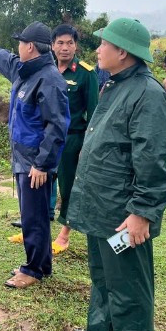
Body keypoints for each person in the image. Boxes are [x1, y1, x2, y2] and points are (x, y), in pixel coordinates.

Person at [66, 18, 166, 331]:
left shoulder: (147, 94)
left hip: (123, 216)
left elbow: (156, 160)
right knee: (103, 275)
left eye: (103, 44)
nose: (97, 50)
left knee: (128, 283)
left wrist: (142, 212)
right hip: (101, 209)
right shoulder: (114, 86)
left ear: (122, 52)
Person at [0, 21, 70, 289]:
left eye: (20, 43)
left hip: (35, 163)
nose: (17, 47)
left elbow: (56, 127)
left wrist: (42, 165)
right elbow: (2, 57)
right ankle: (42, 264)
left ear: (30, 46)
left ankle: (32, 270)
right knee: (32, 214)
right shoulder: (23, 71)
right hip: (23, 159)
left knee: (34, 218)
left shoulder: (49, 80)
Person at [46, 24, 99, 255]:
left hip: (71, 141)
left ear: (76, 45)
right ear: (52, 46)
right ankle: (35, 229)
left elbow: (94, 114)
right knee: (42, 183)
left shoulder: (86, 74)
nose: (65, 48)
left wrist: (85, 147)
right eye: (60, 43)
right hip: (46, 140)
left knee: (68, 187)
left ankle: (64, 235)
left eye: (70, 43)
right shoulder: (47, 69)